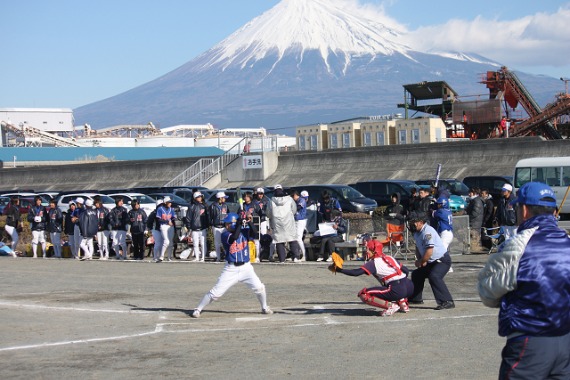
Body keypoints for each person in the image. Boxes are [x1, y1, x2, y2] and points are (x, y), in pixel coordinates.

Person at [478, 182, 570, 379]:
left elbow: (486, 290)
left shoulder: (518, 245)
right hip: (566, 339)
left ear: (525, 210)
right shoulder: (566, 241)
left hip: (530, 339)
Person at [190, 213, 273, 318]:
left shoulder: (244, 232)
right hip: (231, 269)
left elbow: (255, 233)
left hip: (246, 268)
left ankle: (264, 307)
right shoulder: (225, 234)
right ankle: (198, 309)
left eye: (229, 223)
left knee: (260, 288)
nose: (226, 225)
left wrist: (249, 221)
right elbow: (234, 237)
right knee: (216, 293)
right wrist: (238, 224)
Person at [331, 237, 414, 316]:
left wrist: (339, 270)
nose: (366, 251)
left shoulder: (374, 262)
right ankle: (402, 301)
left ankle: (391, 305)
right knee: (387, 283)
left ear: (374, 251)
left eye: (368, 249)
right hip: (409, 286)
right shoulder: (389, 257)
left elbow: (356, 273)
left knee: (364, 294)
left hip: (398, 289)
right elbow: (406, 271)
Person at [407, 212, 455, 310]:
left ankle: (447, 301)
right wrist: (420, 259)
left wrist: (422, 261)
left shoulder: (427, 231)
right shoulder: (417, 232)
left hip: (441, 260)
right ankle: (416, 299)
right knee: (417, 274)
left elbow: (429, 250)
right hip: (431, 261)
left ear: (420, 222)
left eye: (413, 222)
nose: (411, 224)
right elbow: (418, 247)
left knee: (434, 276)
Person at [267, 185, 302, 263]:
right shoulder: (289, 199)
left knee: (279, 240)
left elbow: (268, 213)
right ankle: (295, 257)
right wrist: (289, 216)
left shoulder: (271, 201)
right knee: (292, 238)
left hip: (277, 222)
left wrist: (272, 218)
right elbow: (294, 209)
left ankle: (282, 259)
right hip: (288, 221)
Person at [185, 191, 209, 262]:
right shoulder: (192, 206)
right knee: (195, 243)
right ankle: (197, 257)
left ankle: (203, 257)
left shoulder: (204, 206)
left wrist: (207, 225)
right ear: (195, 198)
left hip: (203, 227)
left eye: (201, 196)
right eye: (198, 197)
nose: (200, 198)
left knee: (203, 243)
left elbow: (207, 217)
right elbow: (188, 217)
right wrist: (189, 226)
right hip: (194, 228)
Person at [209, 191, 230, 262]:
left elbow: (228, 214)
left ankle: (226, 257)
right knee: (217, 243)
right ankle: (218, 257)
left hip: (224, 226)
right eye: (224, 198)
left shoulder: (225, 205)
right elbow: (210, 217)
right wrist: (211, 225)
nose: (225, 199)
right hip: (216, 226)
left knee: (225, 242)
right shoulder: (212, 206)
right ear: (220, 198)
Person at [156, 197, 176, 262]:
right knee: (166, 241)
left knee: (171, 242)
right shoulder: (160, 209)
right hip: (163, 226)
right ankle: (161, 256)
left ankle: (169, 257)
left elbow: (173, 218)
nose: (170, 203)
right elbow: (159, 219)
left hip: (170, 226)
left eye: (170, 202)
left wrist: (174, 222)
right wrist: (167, 222)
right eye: (169, 202)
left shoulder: (171, 209)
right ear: (165, 202)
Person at [465, 187, 485, 252]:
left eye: (470, 193)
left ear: (474, 193)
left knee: (475, 238)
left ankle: (476, 250)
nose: (469, 194)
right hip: (473, 223)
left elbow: (474, 214)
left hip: (474, 224)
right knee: (472, 238)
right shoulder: (473, 201)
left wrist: (467, 217)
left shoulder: (477, 201)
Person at [291, 189, 307, 260]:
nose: (292, 197)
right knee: (294, 238)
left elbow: (298, 207)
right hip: (295, 220)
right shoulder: (295, 201)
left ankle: (304, 255)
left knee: (298, 238)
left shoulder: (301, 200)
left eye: (293, 196)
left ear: (296, 195)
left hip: (301, 220)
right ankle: (295, 255)